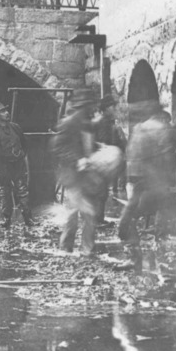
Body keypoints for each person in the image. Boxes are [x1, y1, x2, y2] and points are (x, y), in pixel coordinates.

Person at [117, 101, 176, 271]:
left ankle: (136, 257)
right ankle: (164, 259)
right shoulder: (166, 130)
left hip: (142, 184)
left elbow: (130, 159)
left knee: (129, 219)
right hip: (159, 184)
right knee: (164, 220)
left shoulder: (139, 129)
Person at [51, 91, 103, 255]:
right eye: (90, 106)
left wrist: (98, 149)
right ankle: (73, 248)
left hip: (86, 175)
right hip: (73, 175)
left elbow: (87, 144)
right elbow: (58, 147)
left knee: (82, 212)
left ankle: (80, 248)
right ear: (82, 107)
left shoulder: (86, 123)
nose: (93, 108)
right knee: (81, 213)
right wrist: (77, 160)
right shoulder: (69, 123)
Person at [0, 102, 33, 230]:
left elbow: (24, 144)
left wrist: (21, 155)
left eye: (6, 110)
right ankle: (6, 219)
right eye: (2, 112)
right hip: (3, 168)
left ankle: (28, 219)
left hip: (18, 165)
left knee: (23, 191)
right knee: (5, 193)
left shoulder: (16, 128)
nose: (7, 113)